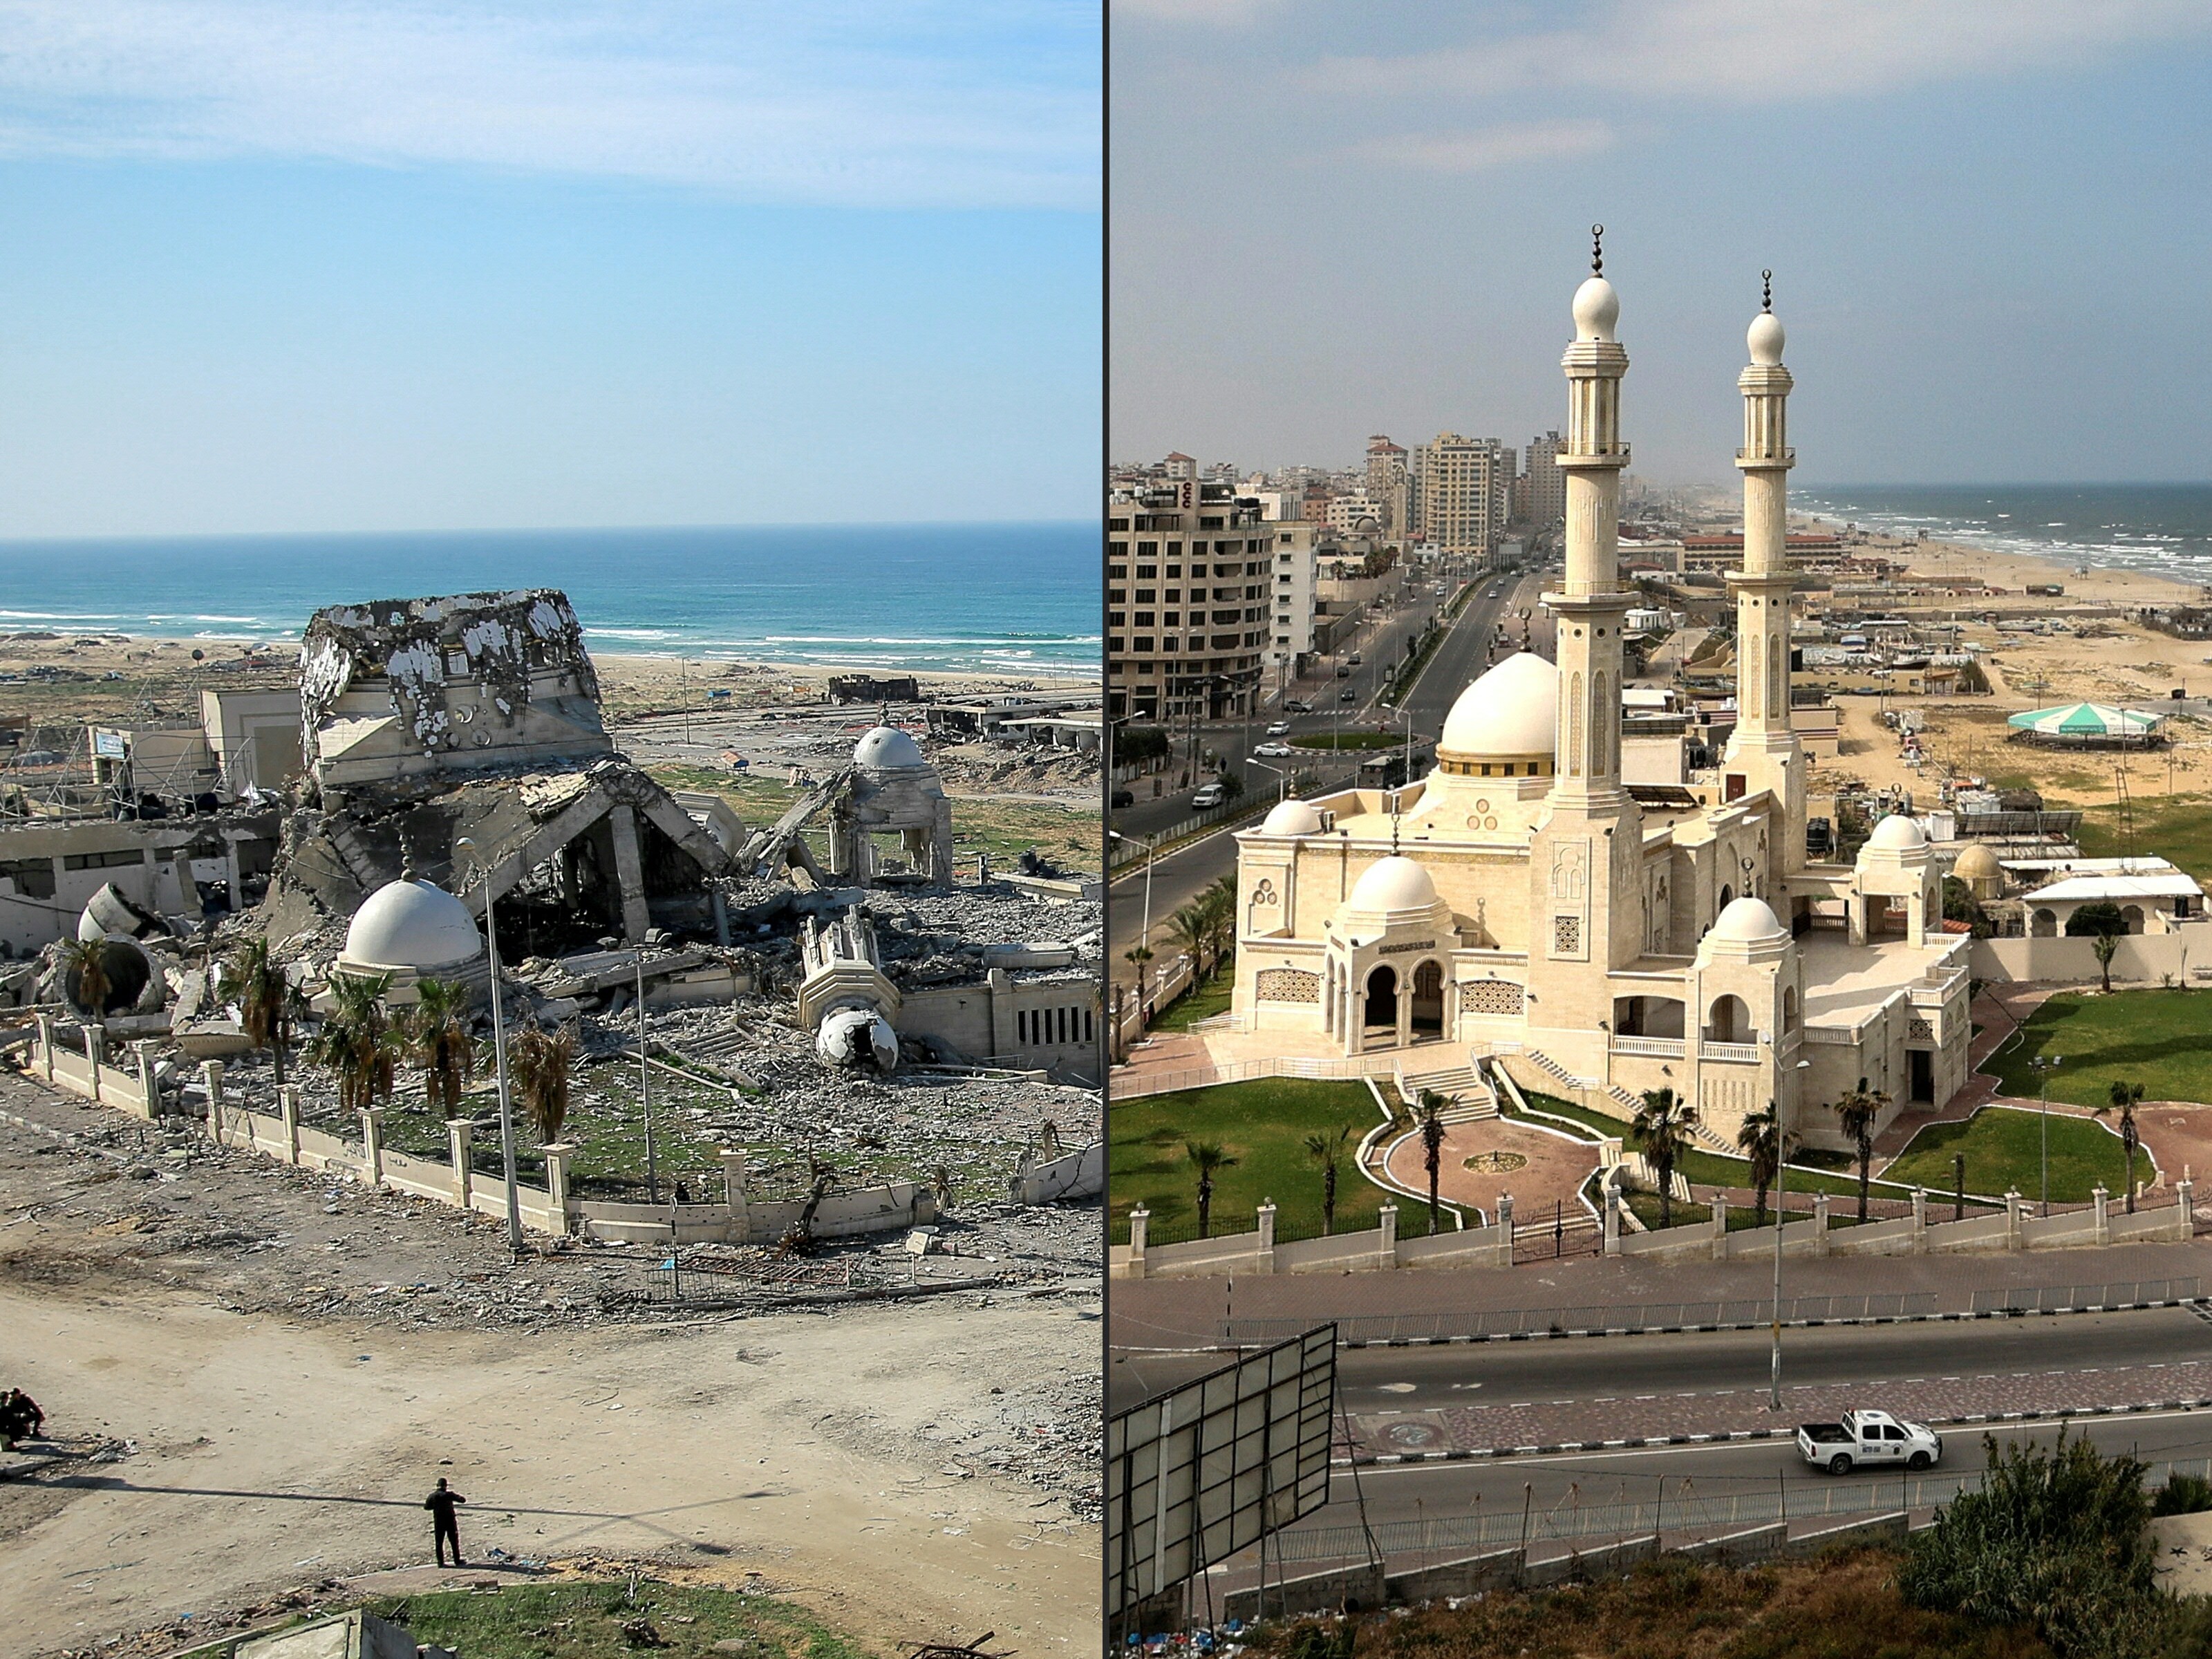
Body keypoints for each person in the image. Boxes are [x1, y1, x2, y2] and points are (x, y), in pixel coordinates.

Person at [424, 1477, 467, 1567]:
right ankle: (457, 1560)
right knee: (454, 1542)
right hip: (450, 1521)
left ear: (437, 1486)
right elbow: (462, 1500)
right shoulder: (449, 1495)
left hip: (438, 1522)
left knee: (439, 1543)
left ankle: (440, 1562)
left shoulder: (432, 1496)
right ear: (446, 1486)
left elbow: (427, 1507)